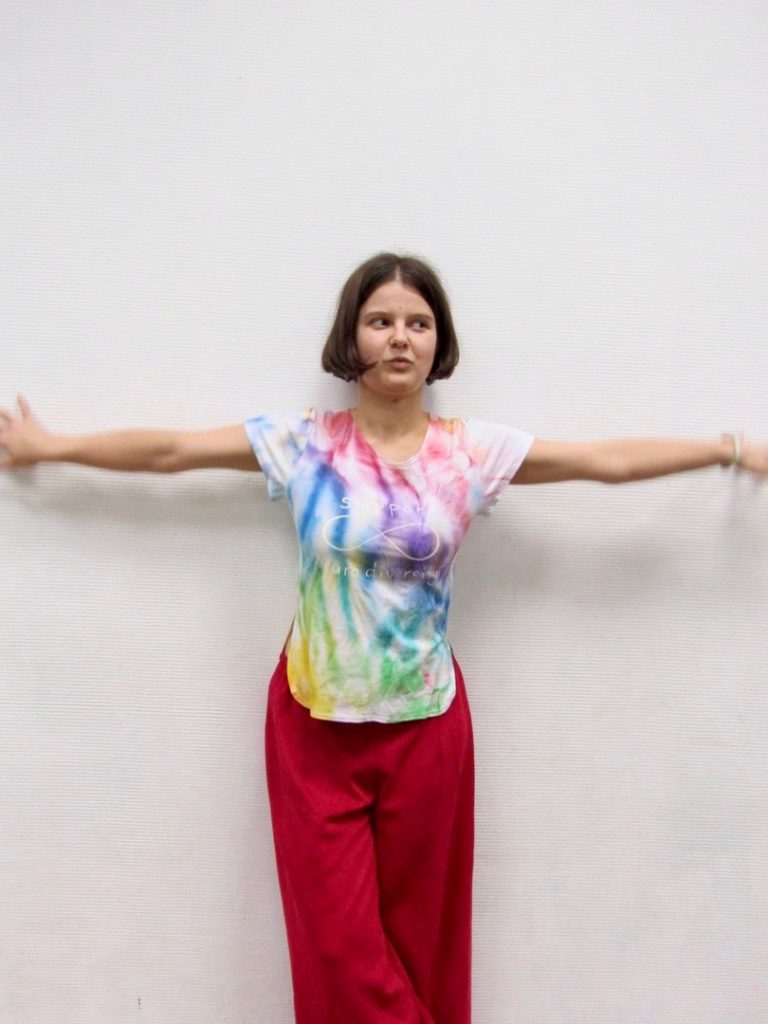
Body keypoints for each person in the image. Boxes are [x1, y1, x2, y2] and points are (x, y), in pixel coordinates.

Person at [2, 250, 766, 1024]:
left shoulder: (469, 451)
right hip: (314, 724)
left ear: (439, 343)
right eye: (381, 321)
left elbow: (605, 463)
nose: (400, 337)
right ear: (352, 337)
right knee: (340, 953)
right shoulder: (305, 442)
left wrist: (728, 449)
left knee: (421, 950)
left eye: (418, 323)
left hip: (426, 727)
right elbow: (172, 453)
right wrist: (51, 448)